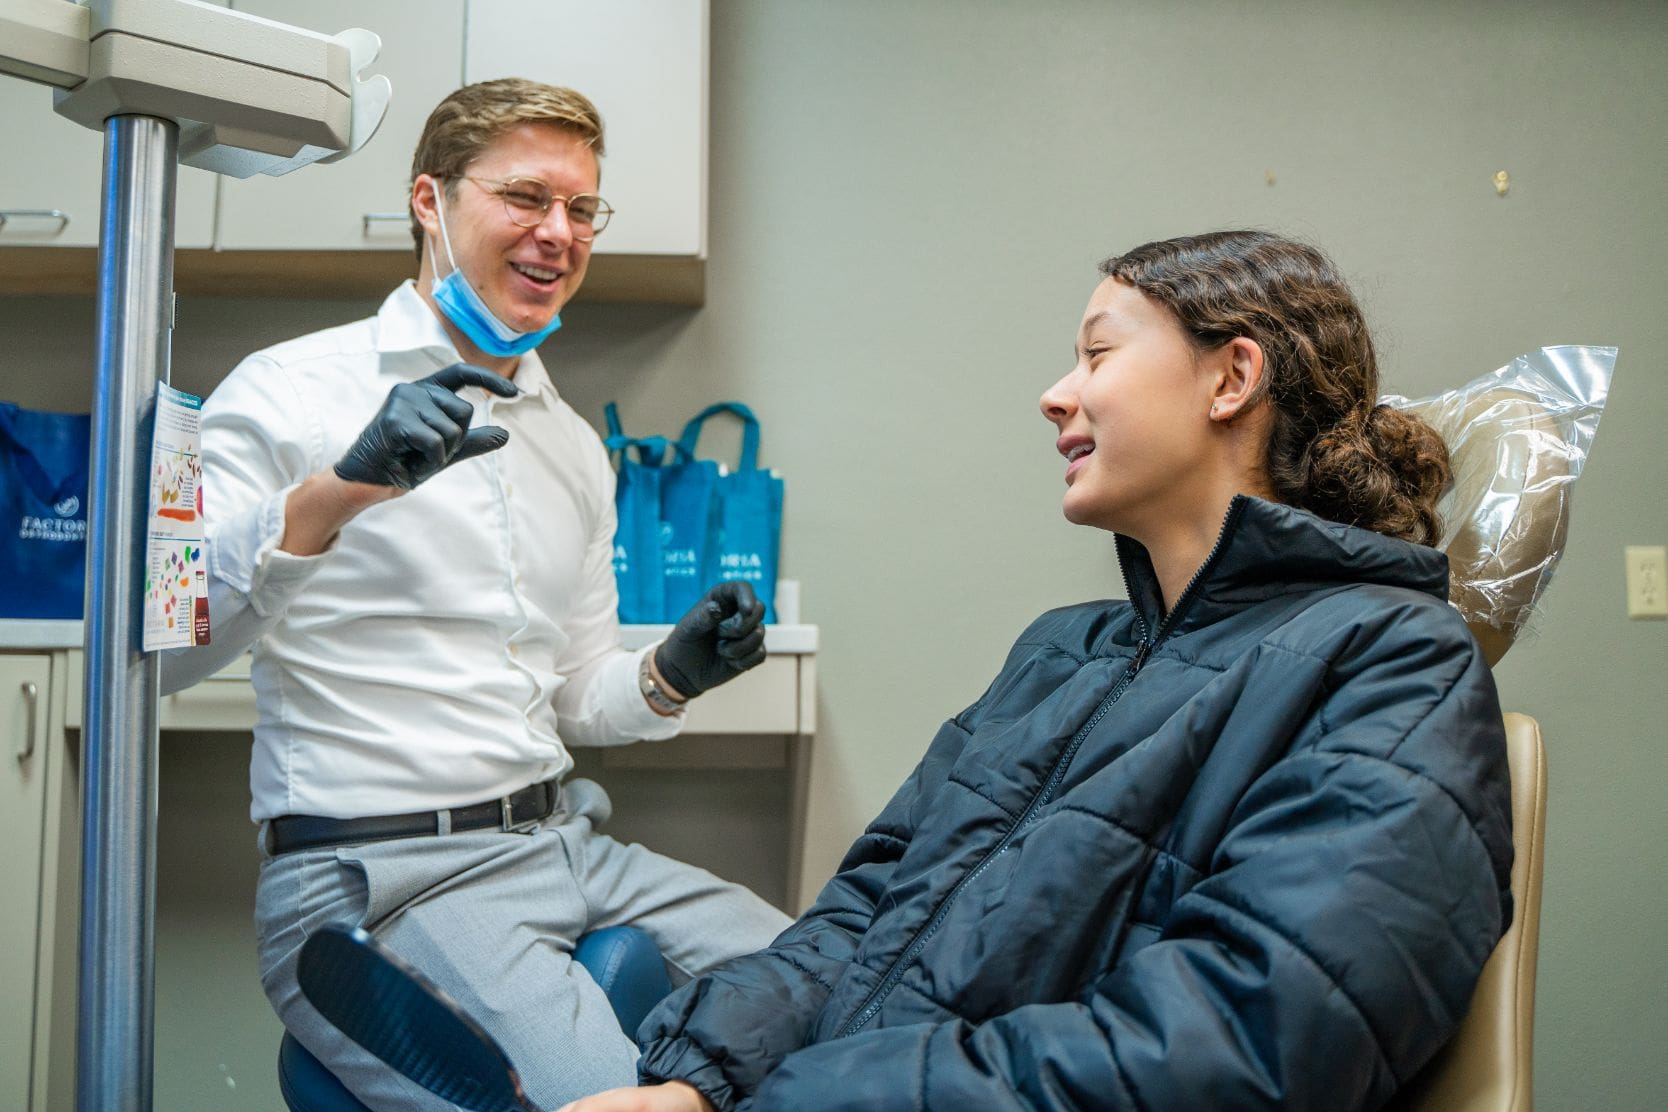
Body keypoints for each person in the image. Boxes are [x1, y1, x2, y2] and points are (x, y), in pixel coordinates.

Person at [559, 230, 1514, 1112]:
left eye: (1098, 354)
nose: (1056, 395)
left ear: (1232, 377)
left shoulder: (1393, 661)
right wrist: (694, 1085)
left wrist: (809, 1100)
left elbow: (1249, 1039)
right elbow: (866, 915)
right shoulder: (1061, 653)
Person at [161, 78, 791, 1110]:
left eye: (581, 209)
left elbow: (575, 692)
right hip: (379, 874)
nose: (559, 233)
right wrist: (341, 490)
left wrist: (668, 676)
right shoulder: (290, 391)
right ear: (430, 200)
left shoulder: (573, 446)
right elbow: (162, 652)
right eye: (526, 197)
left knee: (851, 985)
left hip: (564, 844)